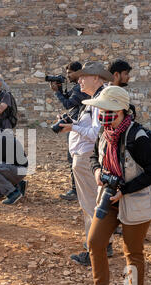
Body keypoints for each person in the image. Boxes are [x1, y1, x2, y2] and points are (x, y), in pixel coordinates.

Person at [87, 86, 151, 285]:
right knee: (95, 242)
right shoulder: (104, 130)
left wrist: (125, 190)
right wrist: (97, 171)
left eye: (105, 108)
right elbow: (93, 157)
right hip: (108, 197)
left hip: (134, 200)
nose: (101, 113)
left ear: (119, 110)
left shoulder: (138, 137)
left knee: (132, 253)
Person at [58, 62, 114, 266]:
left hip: (87, 157)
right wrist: (72, 126)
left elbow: (95, 134)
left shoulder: (100, 101)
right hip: (86, 157)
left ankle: (96, 249)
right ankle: (102, 244)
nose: (79, 80)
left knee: (91, 204)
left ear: (97, 78)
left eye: (84, 77)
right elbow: (92, 128)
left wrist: (74, 127)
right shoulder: (97, 99)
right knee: (93, 203)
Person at [49, 61, 90, 201]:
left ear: (79, 72)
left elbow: (68, 104)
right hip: (79, 126)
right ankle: (78, 189)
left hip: (79, 128)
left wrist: (56, 93)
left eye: (70, 73)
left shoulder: (80, 88)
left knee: (74, 158)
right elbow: (69, 100)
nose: (68, 76)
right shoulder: (77, 88)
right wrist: (59, 91)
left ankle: (76, 190)